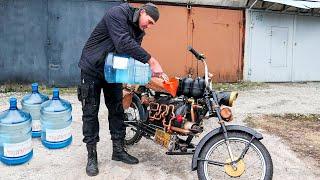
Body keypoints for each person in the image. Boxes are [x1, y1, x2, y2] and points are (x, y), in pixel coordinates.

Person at [77, 2, 166, 177]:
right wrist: (152, 61)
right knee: (90, 112)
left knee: (117, 109)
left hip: (112, 72)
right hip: (92, 68)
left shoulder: (139, 31)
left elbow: (129, 55)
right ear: (142, 12)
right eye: (148, 21)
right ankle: (92, 156)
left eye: (151, 25)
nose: (148, 26)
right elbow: (123, 43)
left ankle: (118, 150)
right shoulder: (117, 13)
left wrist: (145, 75)